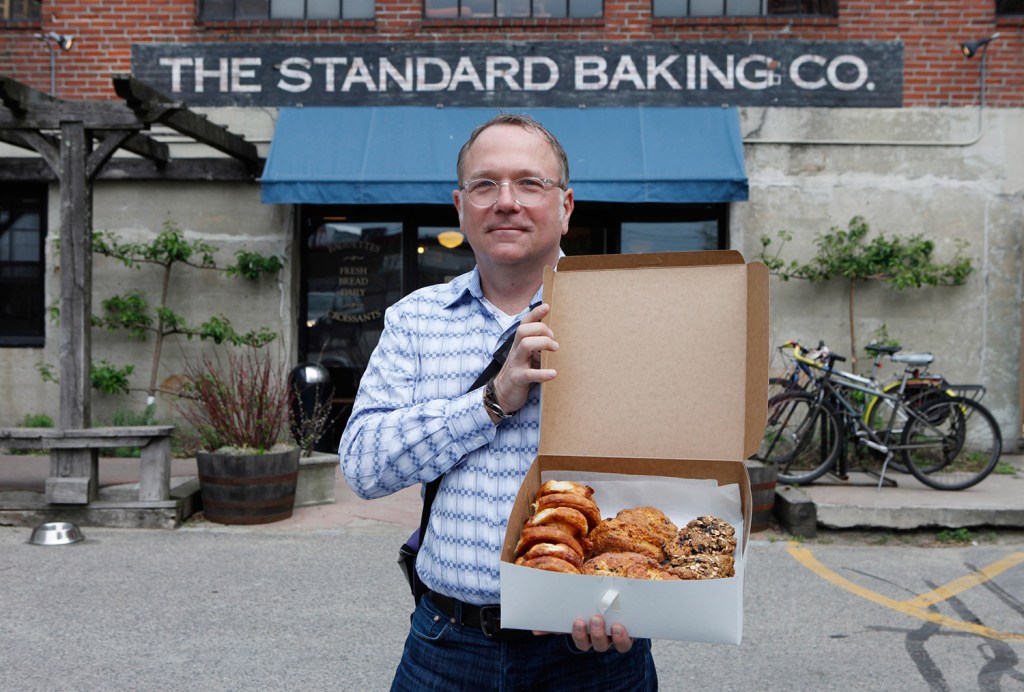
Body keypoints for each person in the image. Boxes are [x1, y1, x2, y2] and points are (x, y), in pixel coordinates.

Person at [338, 113, 657, 690]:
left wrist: (632, 590)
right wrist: (490, 401)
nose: (506, 202)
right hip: (446, 646)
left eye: (530, 183)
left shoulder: (630, 316)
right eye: (485, 184)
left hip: (594, 642)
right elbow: (363, 467)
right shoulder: (416, 320)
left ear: (565, 206)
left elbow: (668, 472)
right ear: (460, 207)